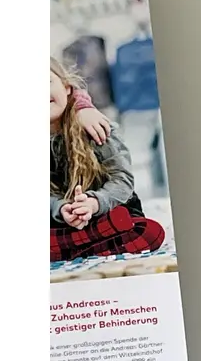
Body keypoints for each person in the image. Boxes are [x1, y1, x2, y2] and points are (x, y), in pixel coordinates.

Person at [50, 58, 167, 262]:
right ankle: (85, 243)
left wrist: (94, 203)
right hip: (61, 221)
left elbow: (122, 181)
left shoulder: (95, 126)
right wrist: (61, 208)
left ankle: (70, 247)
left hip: (109, 211)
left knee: (148, 231)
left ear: (67, 87)